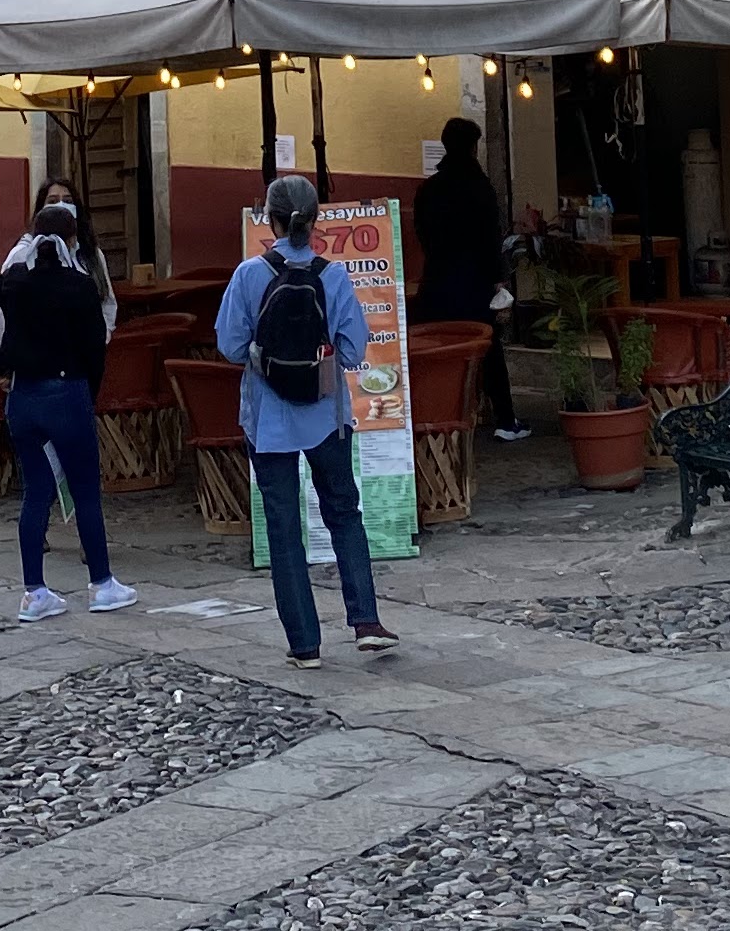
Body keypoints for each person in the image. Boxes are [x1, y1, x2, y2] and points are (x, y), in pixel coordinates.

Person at [216, 173, 398, 668]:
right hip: (326, 416)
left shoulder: (248, 275)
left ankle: (305, 645)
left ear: (268, 218)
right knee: (343, 513)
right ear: (316, 220)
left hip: (267, 420)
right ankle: (365, 621)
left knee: (283, 528)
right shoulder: (333, 276)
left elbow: (229, 346)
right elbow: (355, 349)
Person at [0, 202, 139, 621]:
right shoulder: (78, 286)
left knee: (35, 493)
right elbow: (95, 346)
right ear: (71, 238)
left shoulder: (14, 280)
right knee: (84, 491)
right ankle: (101, 584)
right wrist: (88, 391)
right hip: (67, 393)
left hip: (23, 398)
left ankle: (34, 592)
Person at [410, 116, 524, 441]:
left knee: (437, 350)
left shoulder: (429, 189)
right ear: (473, 147)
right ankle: (504, 420)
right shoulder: (479, 186)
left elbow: (423, 233)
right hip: (474, 283)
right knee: (488, 349)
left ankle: (441, 418)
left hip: (437, 282)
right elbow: (491, 236)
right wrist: (498, 277)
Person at [0, 173, 118, 329]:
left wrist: (100, 337)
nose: (61, 205)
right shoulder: (22, 255)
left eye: (68, 201)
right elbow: (1, 313)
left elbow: (107, 303)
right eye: (53, 201)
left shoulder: (92, 255)